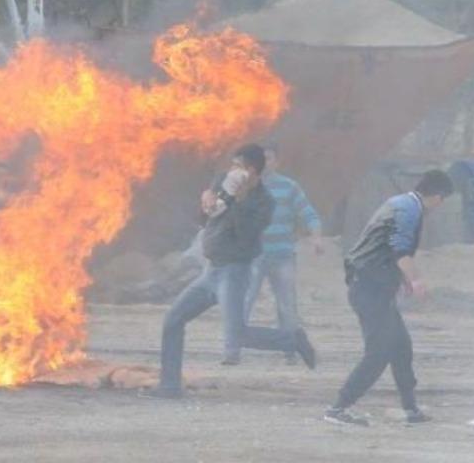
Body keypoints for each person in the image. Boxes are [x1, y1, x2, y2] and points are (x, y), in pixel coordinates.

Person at [142, 144, 316, 400]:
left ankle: (292, 340)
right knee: (173, 320)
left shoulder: (263, 202)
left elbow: (245, 236)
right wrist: (206, 201)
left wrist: (238, 200)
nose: (232, 170)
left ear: (252, 170)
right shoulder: (223, 183)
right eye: (232, 165)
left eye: (238, 166)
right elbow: (204, 221)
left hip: (234, 273)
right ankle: (170, 386)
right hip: (210, 271)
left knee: (237, 335)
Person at [323, 169, 454, 426]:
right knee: (379, 352)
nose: (439, 206)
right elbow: (400, 250)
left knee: (401, 347)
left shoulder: (400, 202)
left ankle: (411, 410)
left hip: (373, 286)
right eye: (442, 200)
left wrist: (401, 279)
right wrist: (415, 280)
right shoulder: (409, 210)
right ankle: (338, 408)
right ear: (438, 196)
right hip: (369, 288)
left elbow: (386, 246)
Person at [239, 142, 323, 366]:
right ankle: (233, 346)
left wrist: (316, 237)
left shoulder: (289, 187)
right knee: (244, 300)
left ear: (277, 162)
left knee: (287, 304)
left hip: (282, 255)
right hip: (254, 256)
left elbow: (308, 213)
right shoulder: (246, 186)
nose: (264, 163)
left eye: (269, 159)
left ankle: (290, 349)